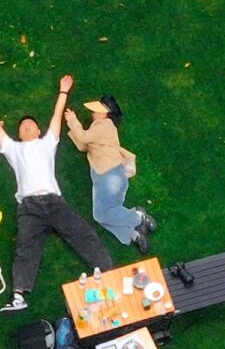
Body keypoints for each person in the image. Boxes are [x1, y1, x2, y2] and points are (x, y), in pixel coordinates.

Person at [0, 77, 114, 314]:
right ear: (18, 134)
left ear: (38, 130)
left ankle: (108, 271)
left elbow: (57, 118)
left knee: (81, 232)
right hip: (29, 208)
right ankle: (19, 295)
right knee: (26, 247)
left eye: (30, 125)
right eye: (21, 127)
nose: (25, 127)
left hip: (54, 203)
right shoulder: (13, 150)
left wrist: (63, 91)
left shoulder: (48, 143)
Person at [63, 95, 157, 252]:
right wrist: (71, 125)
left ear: (104, 113)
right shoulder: (99, 128)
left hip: (109, 174)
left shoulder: (105, 125)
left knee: (101, 214)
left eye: (96, 110)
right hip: (106, 175)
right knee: (101, 216)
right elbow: (83, 146)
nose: (92, 113)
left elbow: (83, 137)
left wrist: (72, 120)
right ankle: (135, 234)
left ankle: (139, 217)